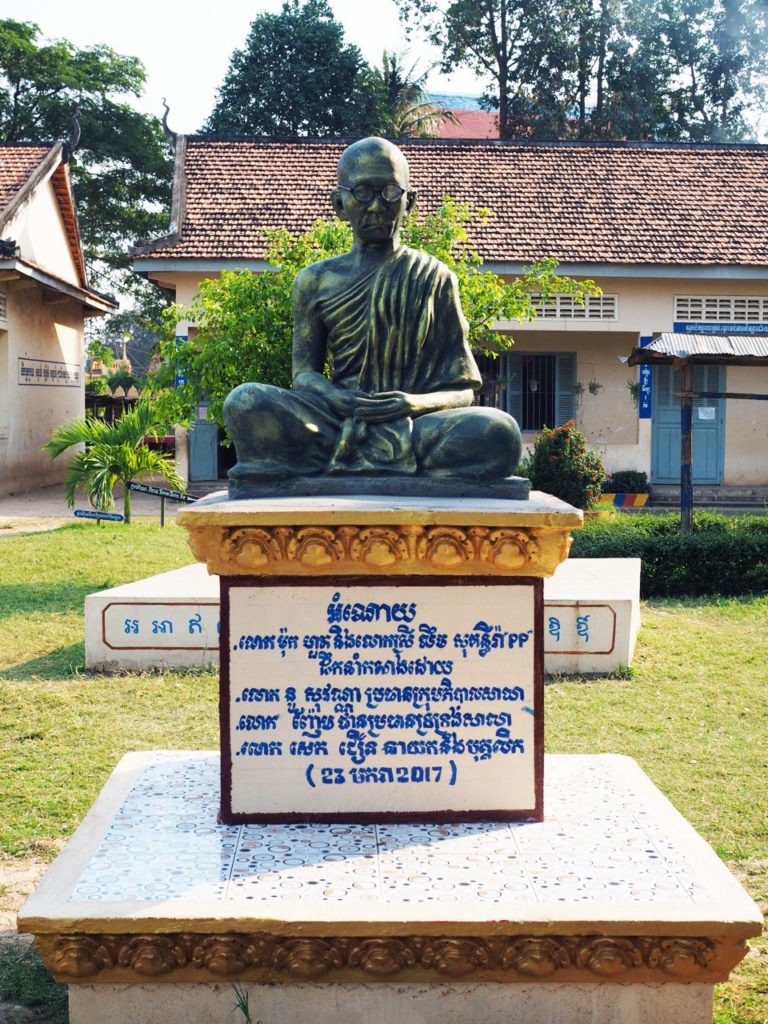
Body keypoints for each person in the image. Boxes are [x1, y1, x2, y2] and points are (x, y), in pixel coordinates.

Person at [223, 137, 523, 495]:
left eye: (390, 192)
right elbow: (304, 375)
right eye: (363, 192)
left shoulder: (434, 277)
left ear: (409, 201)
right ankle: (345, 454)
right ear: (339, 203)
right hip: (335, 419)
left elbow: (462, 391)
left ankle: (340, 460)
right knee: (245, 402)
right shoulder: (315, 280)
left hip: (416, 425)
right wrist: (335, 399)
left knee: (500, 432)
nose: (378, 206)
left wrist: (411, 404)